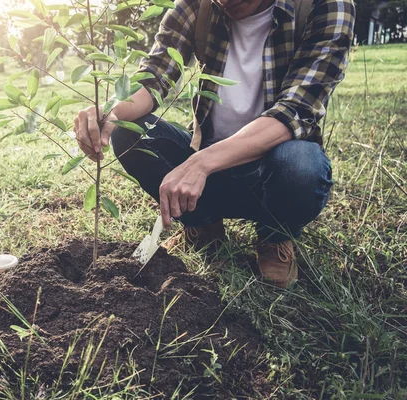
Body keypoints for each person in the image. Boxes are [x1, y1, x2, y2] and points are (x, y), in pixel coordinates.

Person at [73, 0, 355, 288]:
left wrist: (201, 162)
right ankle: (204, 227)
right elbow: (155, 75)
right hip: (209, 174)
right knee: (128, 131)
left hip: (276, 172)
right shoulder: (199, 7)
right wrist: (111, 112)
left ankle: (274, 238)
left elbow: (295, 110)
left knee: (301, 166)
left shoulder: (324, 7)